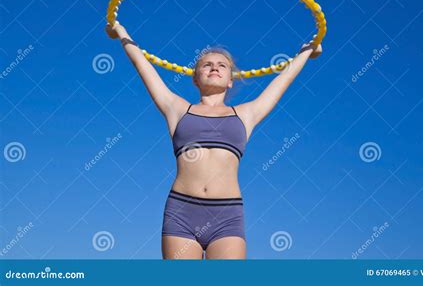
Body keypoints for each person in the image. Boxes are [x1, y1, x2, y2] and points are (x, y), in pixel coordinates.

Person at [105, 22, 322, 259]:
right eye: (206, 64)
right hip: (181, 212)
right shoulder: (177, 109)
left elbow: (284, 80)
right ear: (195, 78)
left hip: (227, 216)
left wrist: (306, 51)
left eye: (222, 65)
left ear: (231, 79)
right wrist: (121, 32)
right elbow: (143, 65)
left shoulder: (245, 114)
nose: (214, 68)